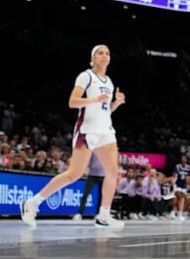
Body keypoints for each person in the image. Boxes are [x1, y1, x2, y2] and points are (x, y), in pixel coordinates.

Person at [20, 45, 126, 229]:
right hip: (87, 130)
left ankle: (103, 215)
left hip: (106, 131)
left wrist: (116, 103)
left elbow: (104, 111)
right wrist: (93, 99)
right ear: (93, 58)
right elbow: (73, 102)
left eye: (107, 53)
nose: (104, 56)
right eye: (100, 53)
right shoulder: (86, 76)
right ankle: (33, 202)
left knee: (112, 173)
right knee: (73, 175)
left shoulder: (109, 82)